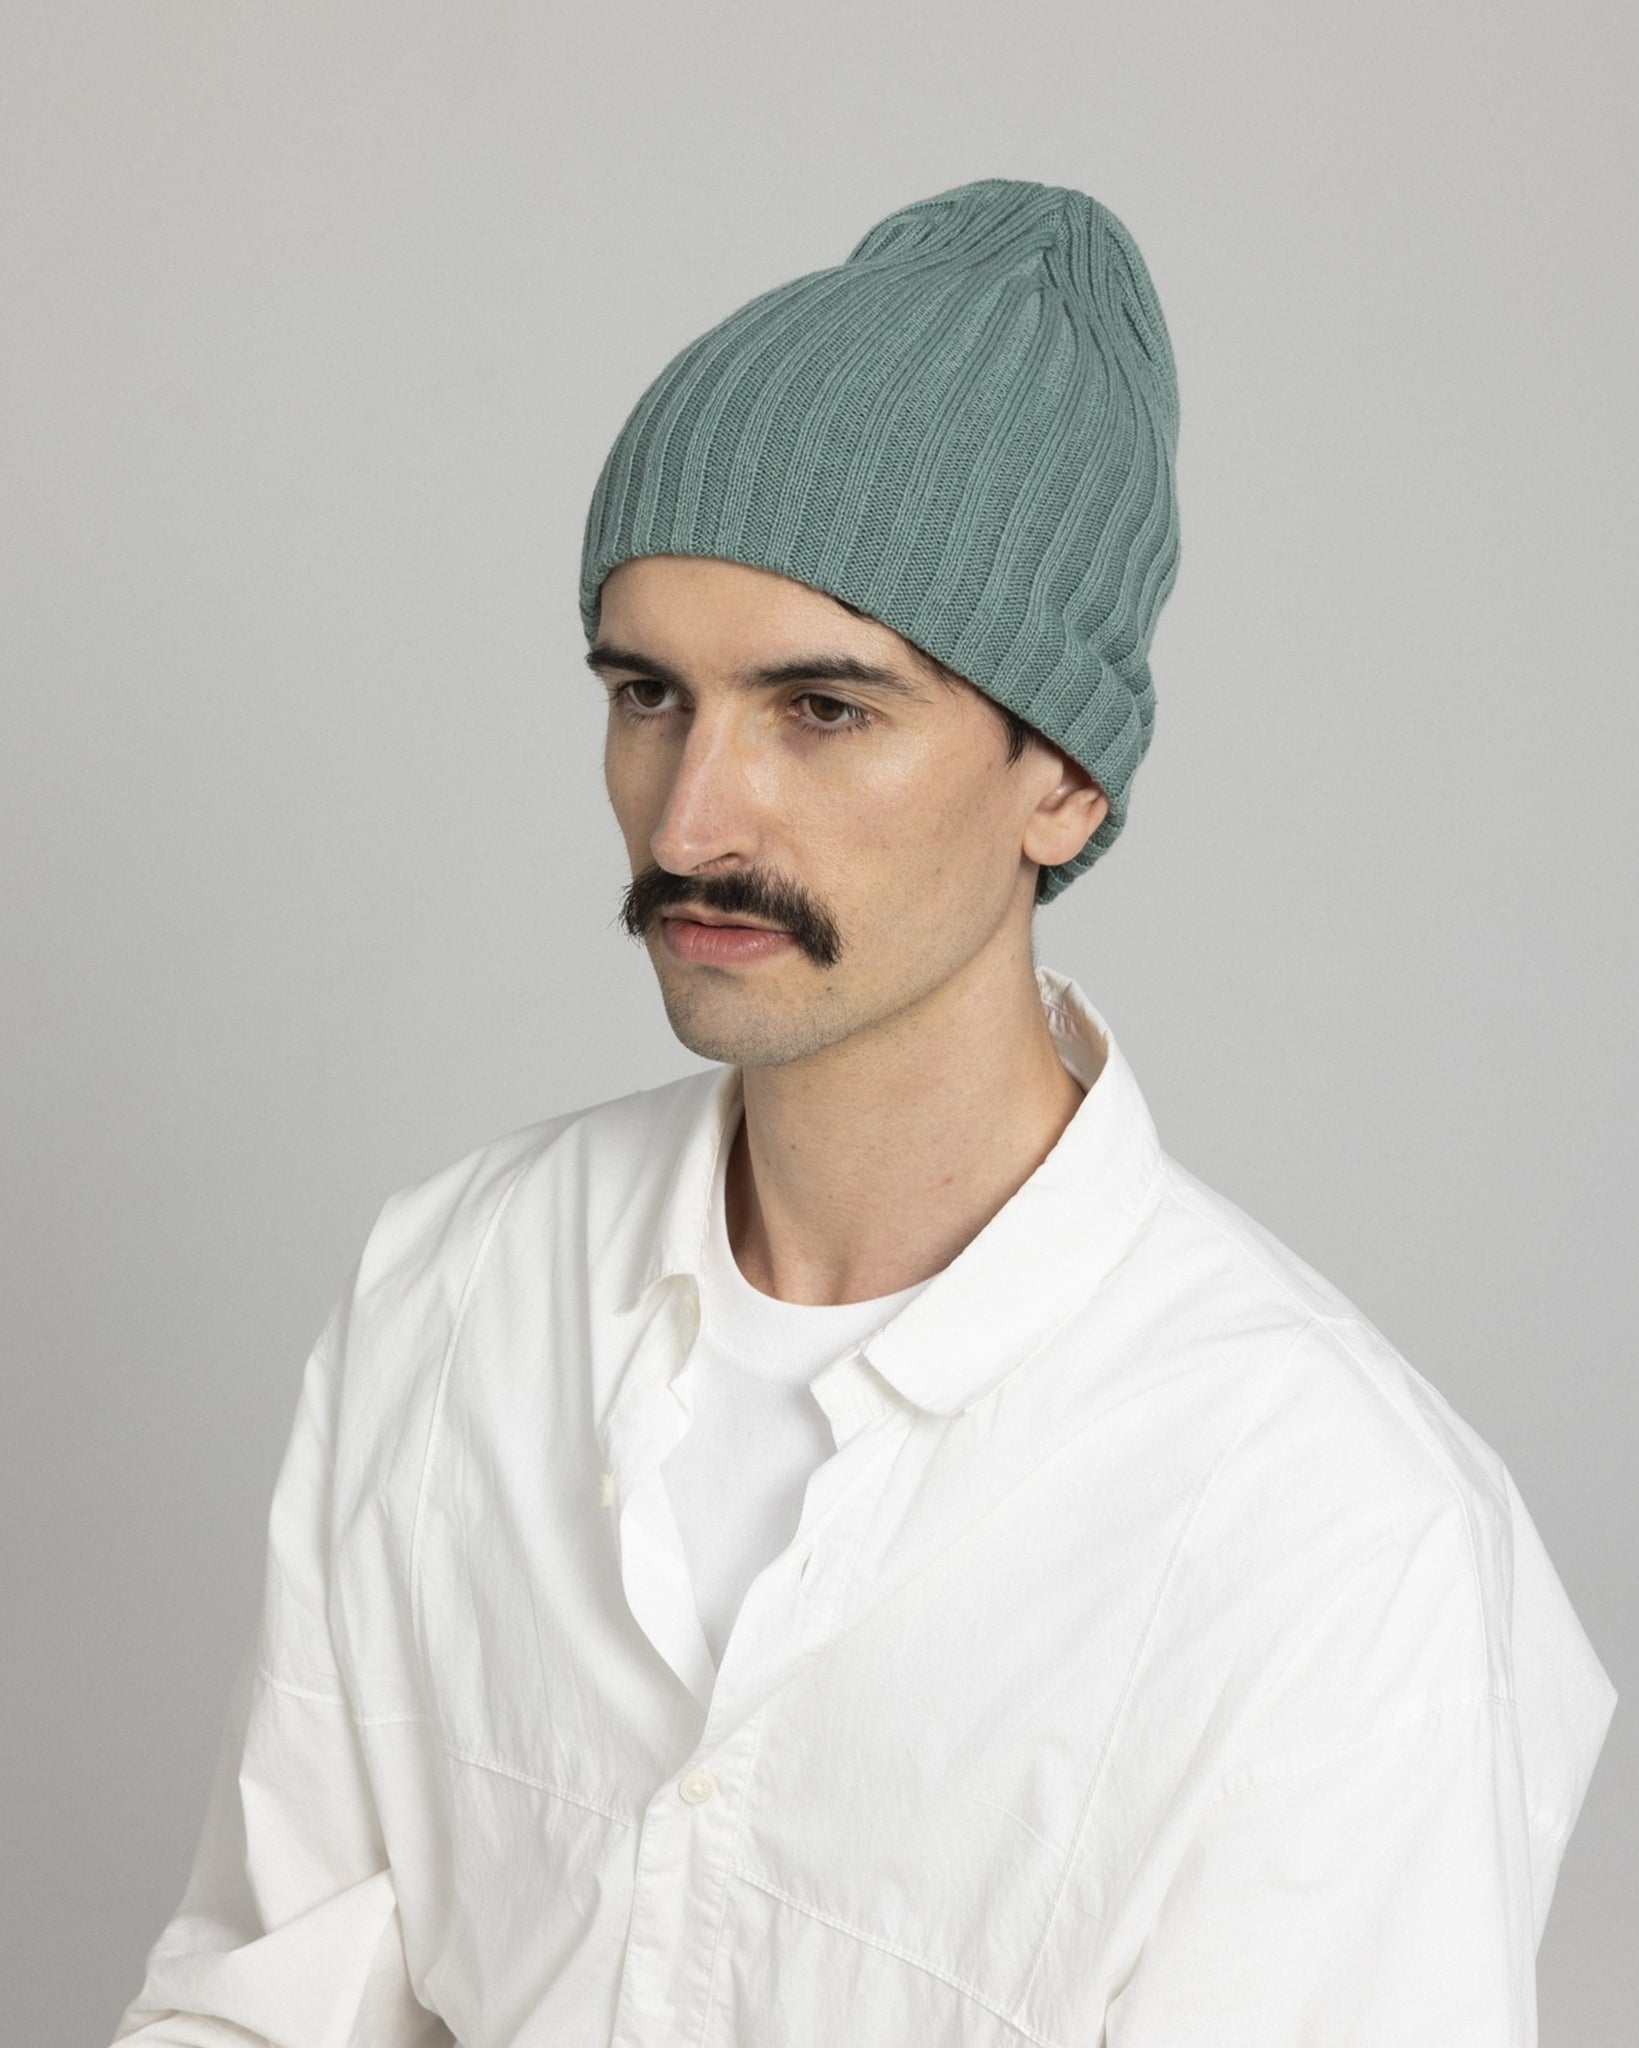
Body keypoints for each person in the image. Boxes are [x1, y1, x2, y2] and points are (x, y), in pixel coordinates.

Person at [112, 178, 1614, 2047]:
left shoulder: (1326, 1536)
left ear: (1063, 781)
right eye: (647, 693)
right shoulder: (454, 1294)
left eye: (822, 709)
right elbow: (265, 2000)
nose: (689, 820)